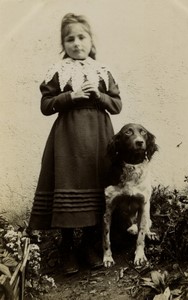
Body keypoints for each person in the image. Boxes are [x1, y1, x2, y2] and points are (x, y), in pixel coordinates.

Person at [28, 13, 122, 275]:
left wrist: (100, 96)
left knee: (97, 186)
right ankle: (66, 247)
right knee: (69, 184)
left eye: (82, 37)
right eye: (70, 39)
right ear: (63, 44)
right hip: (68, 139)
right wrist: (70, 95)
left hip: (99, 138)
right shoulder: (58, 71)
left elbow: (117, 105)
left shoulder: (103, 71)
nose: (76, 43)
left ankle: (89, 245)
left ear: (91, 41)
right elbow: (46, 106)